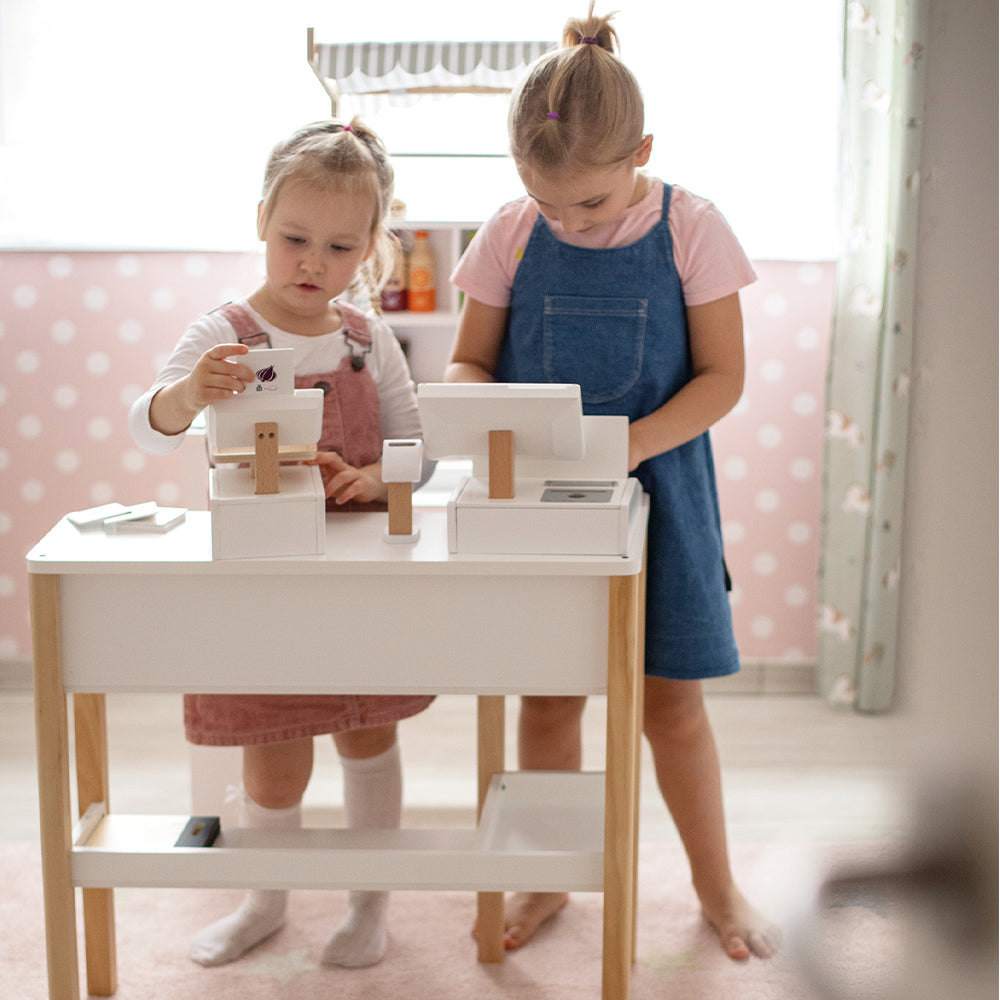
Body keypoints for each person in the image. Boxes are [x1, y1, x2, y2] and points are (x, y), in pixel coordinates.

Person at [445, 5, 781, 962]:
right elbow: (470, 361)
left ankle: (716, 888)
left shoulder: (692, 227)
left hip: (663, 493)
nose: (567, 221)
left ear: (643, 152)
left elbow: (723, 378)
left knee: (670, 705)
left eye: (588, 203)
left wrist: (628, 444)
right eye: (546, 203)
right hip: (540, 504)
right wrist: (500, 422)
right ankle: (549, 876)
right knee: (549, 700)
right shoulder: (510, 232)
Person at [129, 118, 434, 970]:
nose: (313, 263)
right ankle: (265, 901)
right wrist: (189, 394)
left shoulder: (369, 341)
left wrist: (375, 480)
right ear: (261, 220)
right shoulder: (222, 336)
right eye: (295, 239)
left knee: (368, 735)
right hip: (260, 582)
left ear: (371, 247)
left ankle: (369, 907)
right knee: (272, 760)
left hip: (361, 582)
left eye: (340, 247)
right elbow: (149, 425)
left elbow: (418, 449)